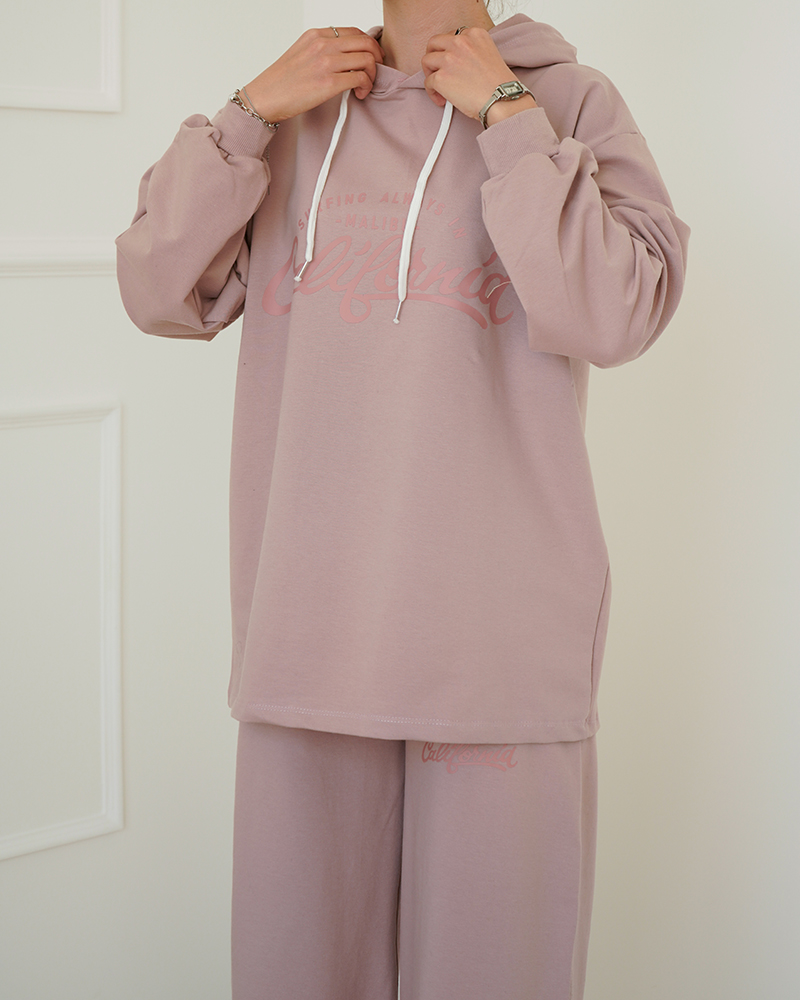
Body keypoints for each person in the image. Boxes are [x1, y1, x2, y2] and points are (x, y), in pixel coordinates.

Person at [115, 1, 690, 997]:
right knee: (298, 972)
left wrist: (508, 118)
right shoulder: (298, 111)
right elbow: (157, 287)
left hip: (495, 657)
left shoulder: (568, 100)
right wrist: (249, 114)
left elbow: (620, 312)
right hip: (308, 642)